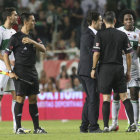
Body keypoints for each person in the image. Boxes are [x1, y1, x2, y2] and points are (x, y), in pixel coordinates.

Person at [91, 11, 136, 132]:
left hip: (105, 69)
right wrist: (128, 72)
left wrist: (93, 68)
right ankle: (132, 124)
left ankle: (106, 126)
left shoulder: (100, 35)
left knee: (106, 98)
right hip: (118, 68)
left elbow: (96, 54)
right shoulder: (122, 35)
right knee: (125, 97)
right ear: (115, 21)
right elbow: (128, 56)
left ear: (104, 21)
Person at [3, 12, 47, 134]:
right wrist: (10, 71)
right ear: (26, 22)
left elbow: (43, 49)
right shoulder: (15, 37)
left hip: (32, 71)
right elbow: (5, 55)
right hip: (20, 71)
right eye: (32, 20)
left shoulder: (34, 36)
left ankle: (37, 128)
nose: (34, 23)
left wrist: (32, 42)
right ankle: (18, 128)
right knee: (20, 98)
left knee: (33, 99)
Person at [0, 7, 30, 133]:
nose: (17, 17)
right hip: (1, 67)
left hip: (13, 68)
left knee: (16, 95)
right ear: (8, 17)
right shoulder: (0, 31)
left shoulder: (13, 32)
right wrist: (7, 61)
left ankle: (17, 127)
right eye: (15, 15)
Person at [109, 9, 140, 131]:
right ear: (123, 21)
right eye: (126, 19)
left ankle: (134, 125)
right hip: (120, 67)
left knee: (133, 95)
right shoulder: (118, 32)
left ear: (134, 20)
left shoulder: (138, 33)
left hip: (134, 68)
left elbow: (137, 54)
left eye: (131, 19)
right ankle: (115, 123)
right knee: (116, 95)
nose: (129, 21)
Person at [78, 10, 102, 133]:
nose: (101, 22)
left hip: (86, 71)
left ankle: (84, 126)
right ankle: (93, 127)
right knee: (94, 98)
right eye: (100, 20)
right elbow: (92, 53)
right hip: (88, 71)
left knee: (90, 99)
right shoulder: (88, 35)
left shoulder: (90, 34)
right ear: (93, 22)